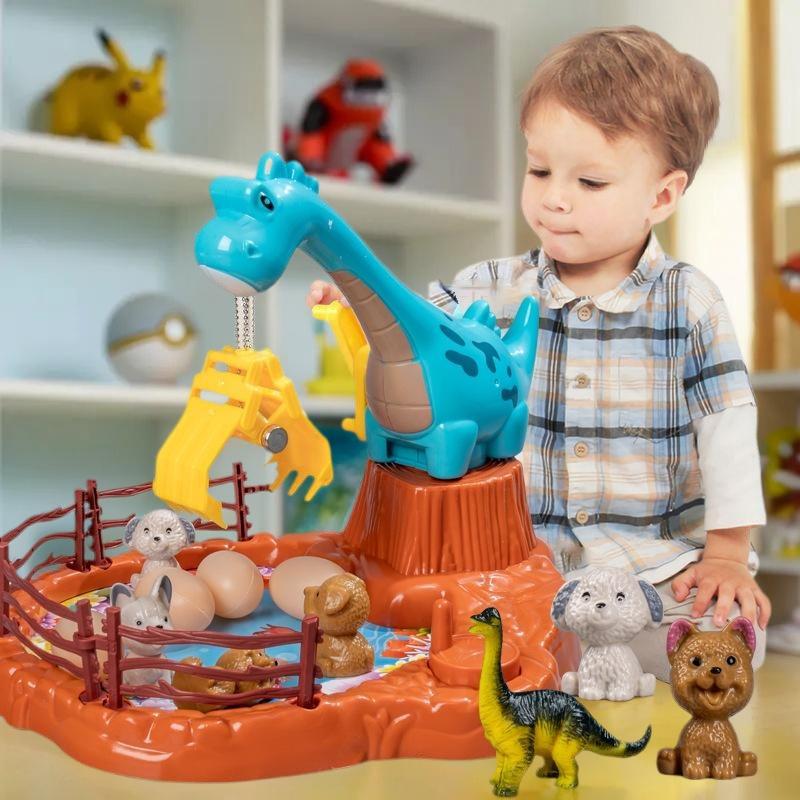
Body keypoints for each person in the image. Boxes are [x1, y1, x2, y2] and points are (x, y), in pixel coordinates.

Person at [306, 26, 770, 681]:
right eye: (539, 169)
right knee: (440, 635)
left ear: (662, 195)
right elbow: (413, 333)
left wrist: (726, 554)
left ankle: (575, 662)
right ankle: (545, 662)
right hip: (514, 567)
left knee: (718, 646)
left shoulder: (689, 301)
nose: (553, 197)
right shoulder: (485, 287)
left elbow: (728, 430)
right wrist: (356, 302)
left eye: (591, 181)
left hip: (653, 567)